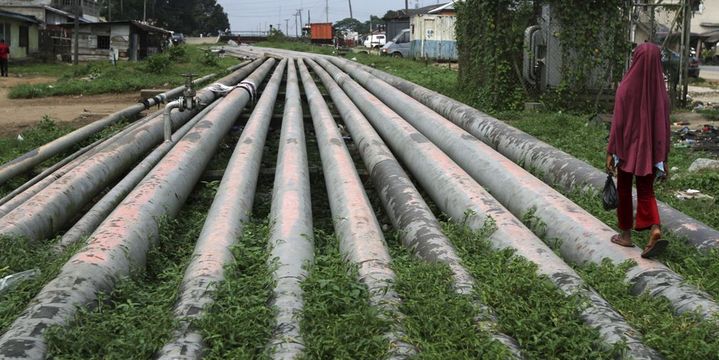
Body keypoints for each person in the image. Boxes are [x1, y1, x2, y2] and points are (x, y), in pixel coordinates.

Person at [606, 42, 670, 258]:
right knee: (646, 190)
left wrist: (611, 151)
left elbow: (617, 124)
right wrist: (664, 158)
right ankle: (655, 227)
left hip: (626, 151)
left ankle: (625, 235)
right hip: (650, 154)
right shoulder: (661, 94)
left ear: (636, 59)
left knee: (624, 189)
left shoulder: (625, 88)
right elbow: (665, 129)